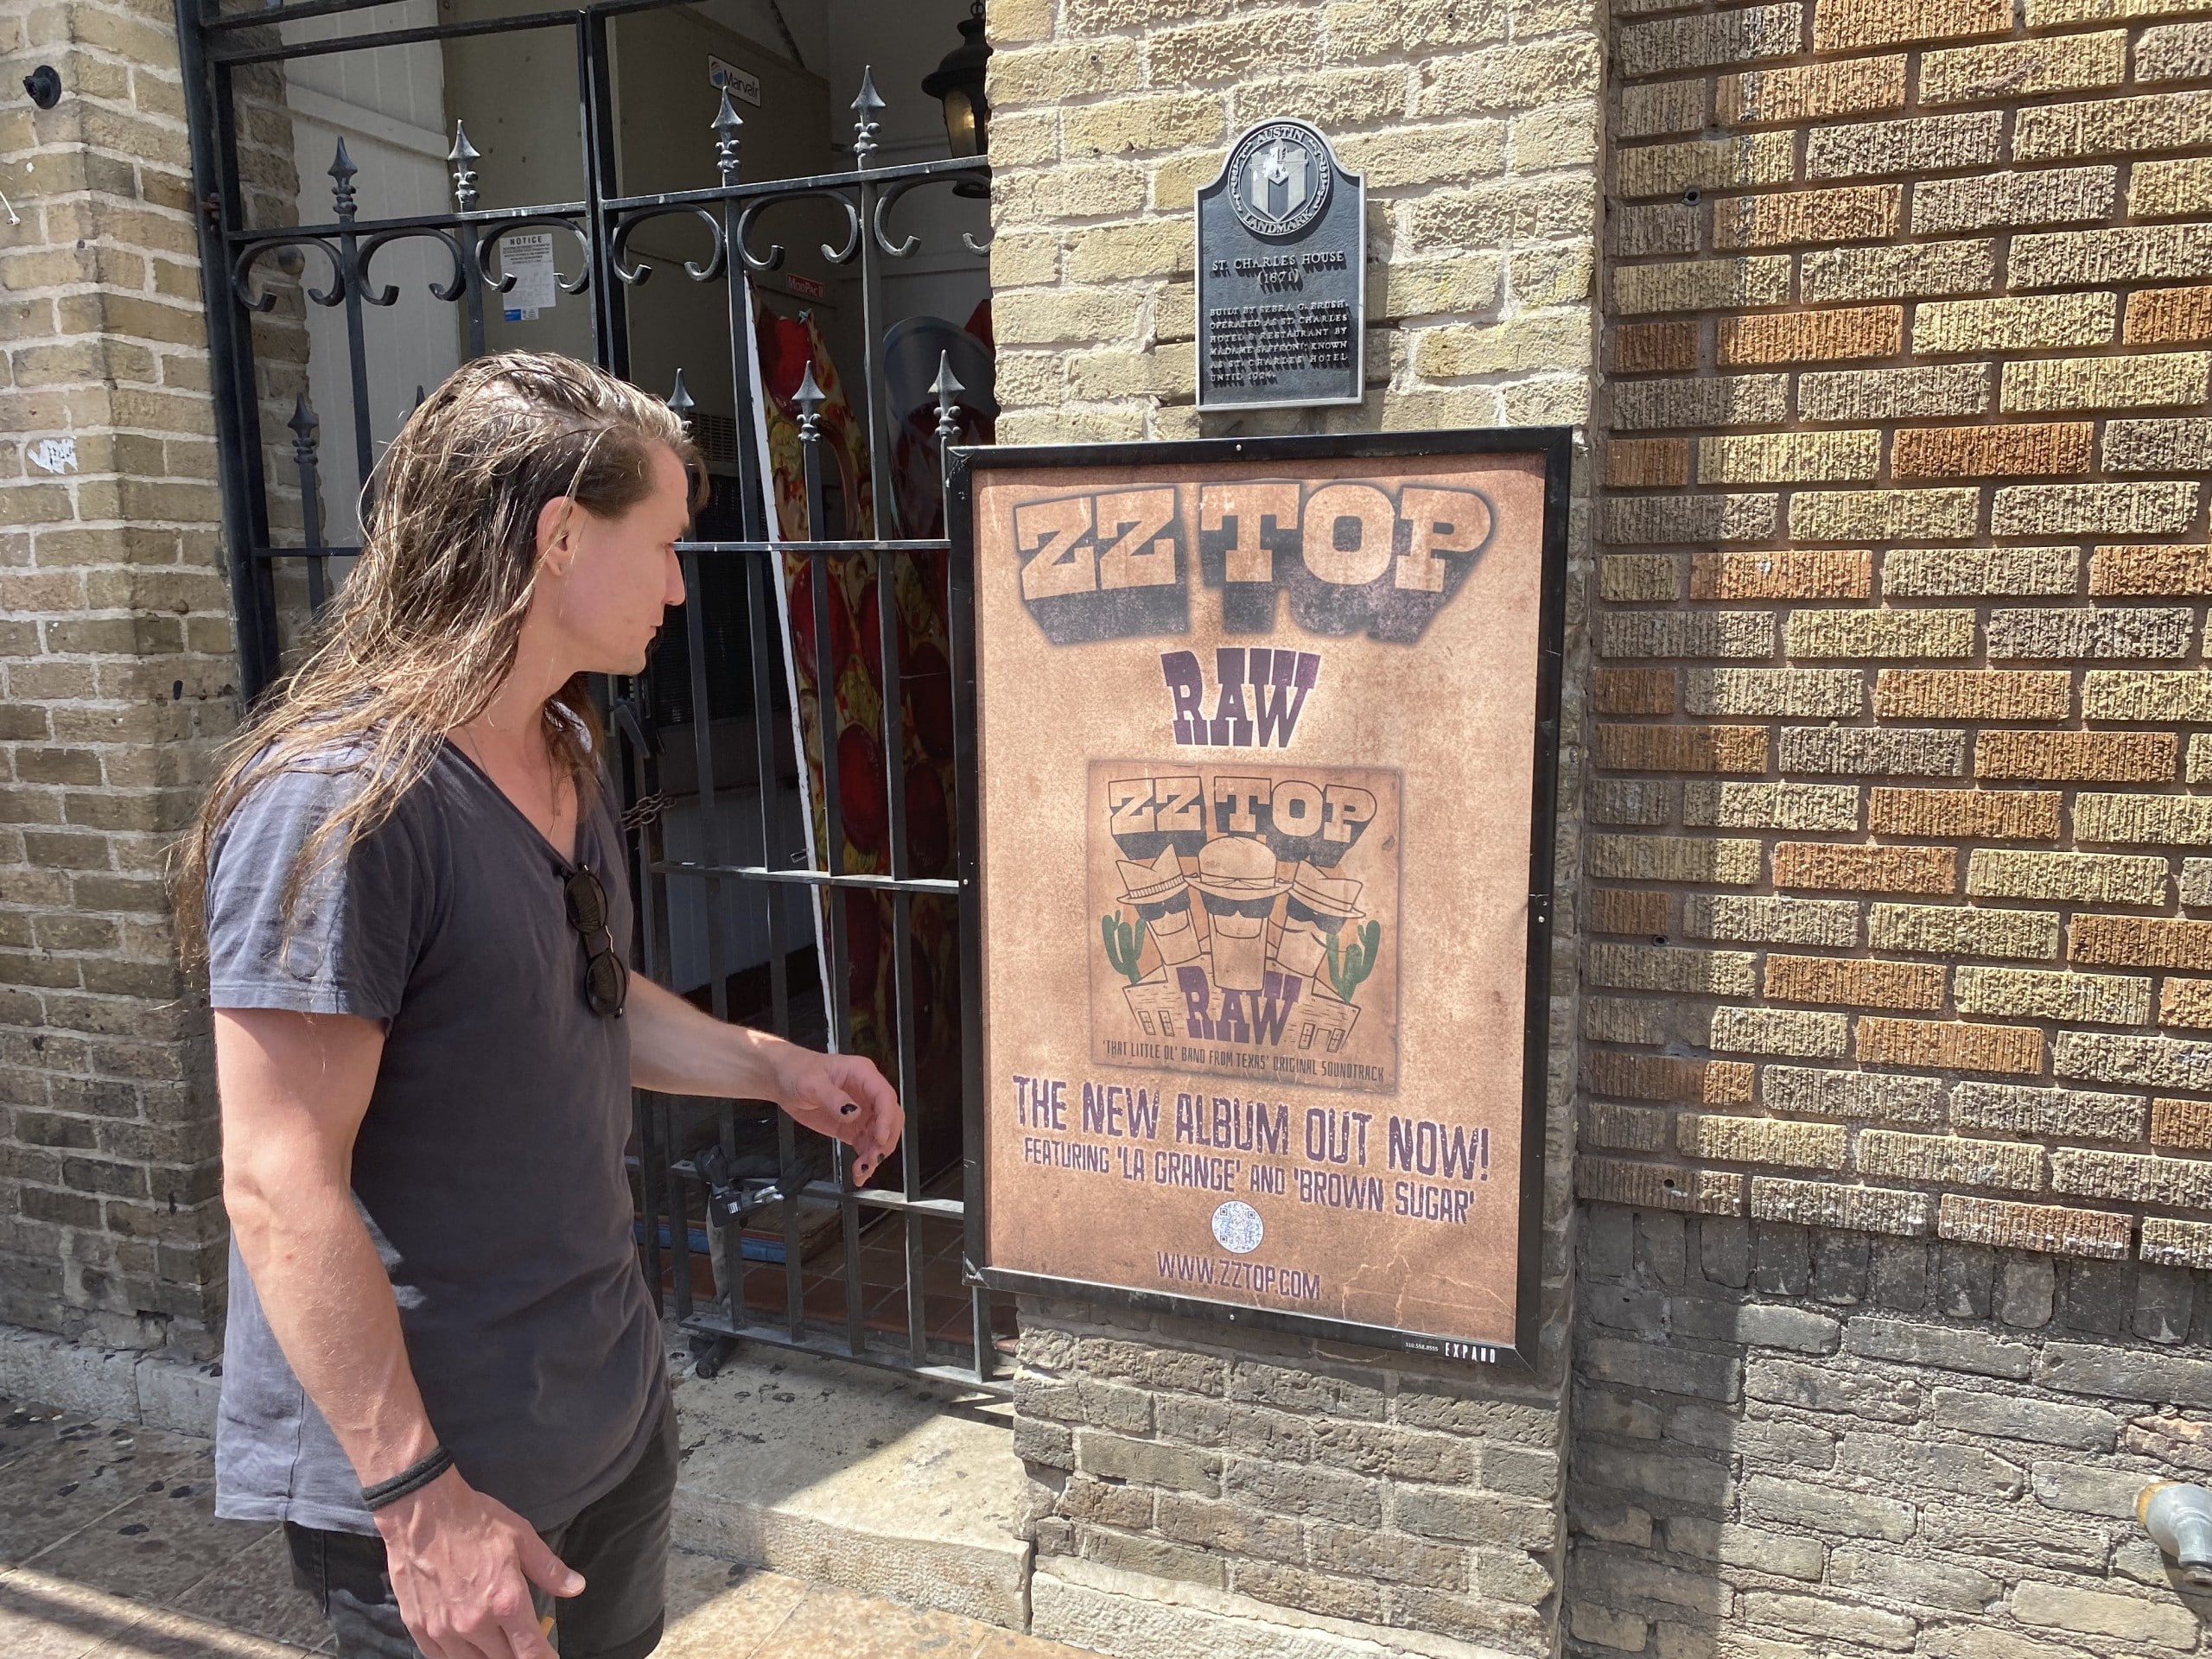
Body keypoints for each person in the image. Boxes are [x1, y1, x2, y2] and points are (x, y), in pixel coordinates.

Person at [175, 352, 903, 1659]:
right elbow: (278, 1181)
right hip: (451, 1482)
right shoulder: (339, 804)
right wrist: (418, 1502)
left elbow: (575, 994)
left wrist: (771, 1067)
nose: (681, 585)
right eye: (665, 544)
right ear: (562, 537)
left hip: (606, 1419)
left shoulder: (560, 748)